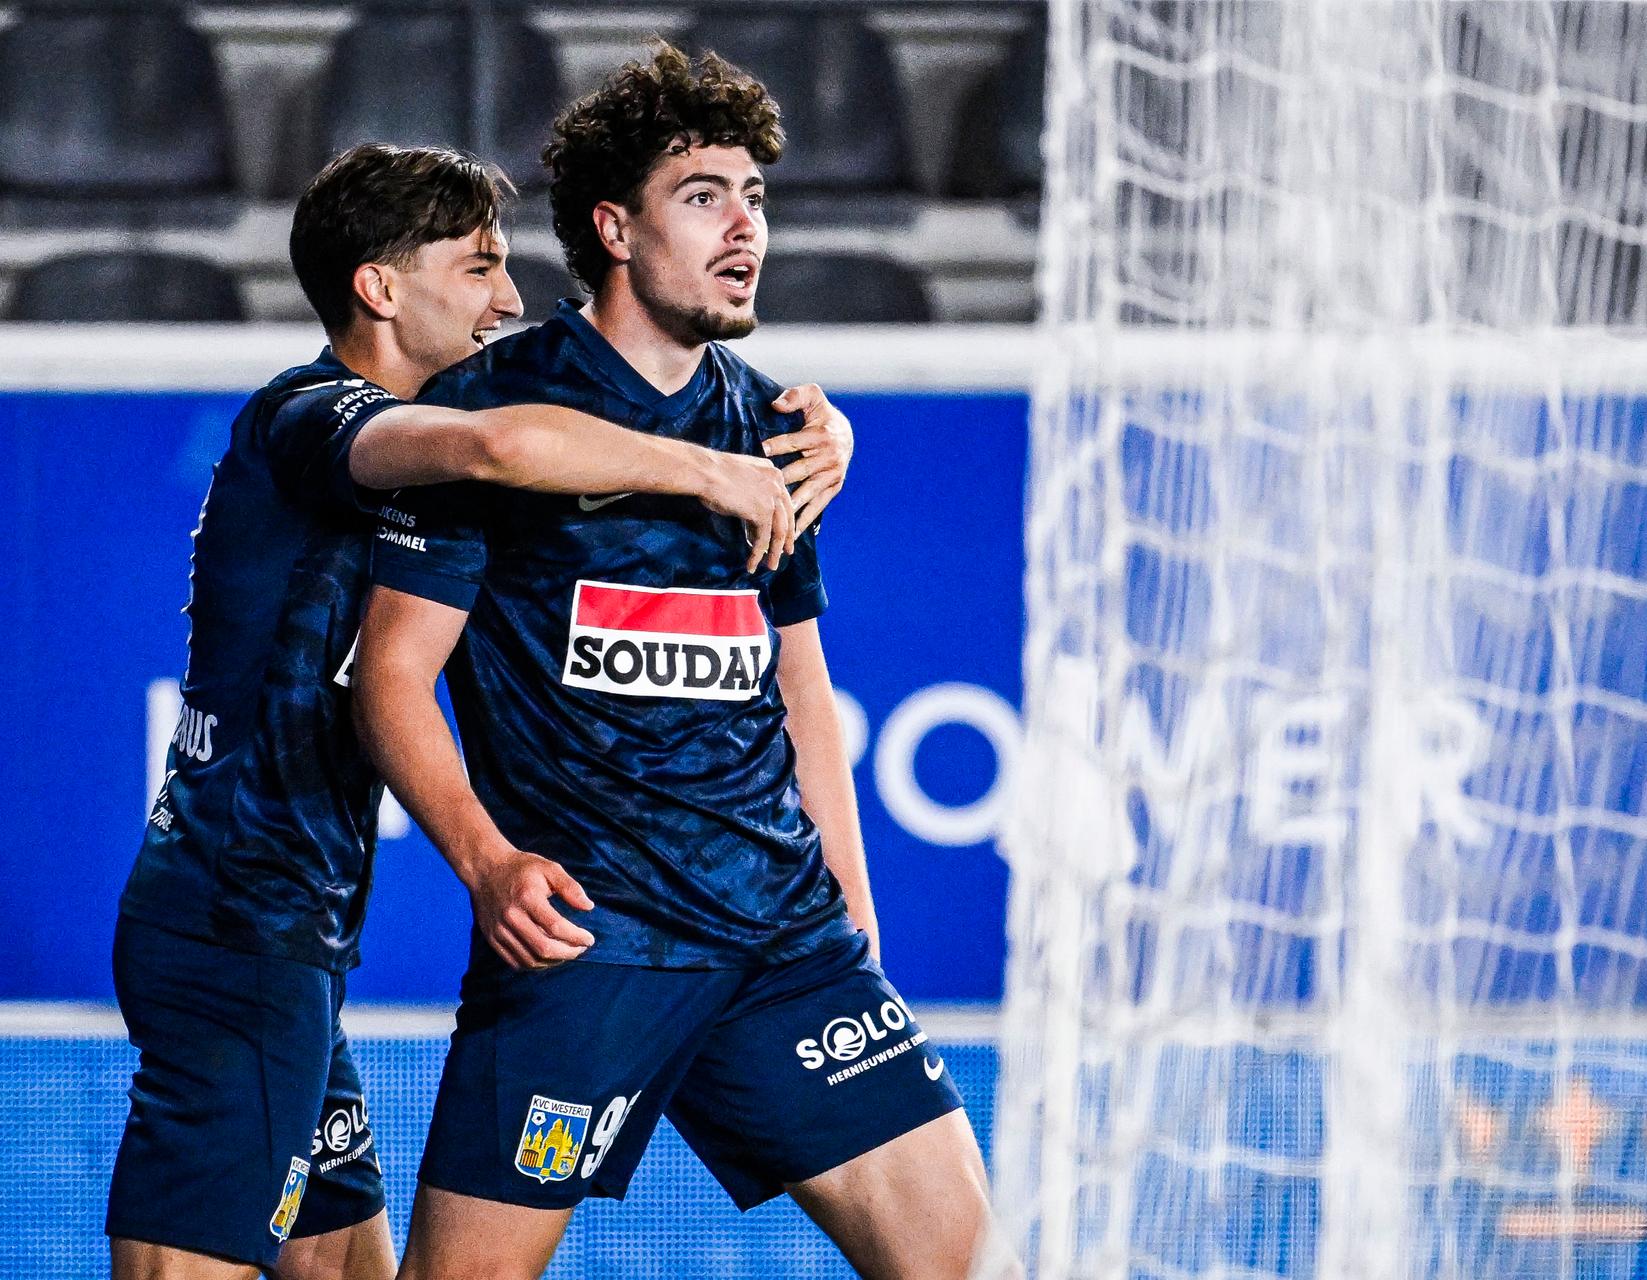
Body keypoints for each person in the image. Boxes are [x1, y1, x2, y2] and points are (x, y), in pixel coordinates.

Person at [107, 142, 857, 1280]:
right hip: (233, 932)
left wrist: (805, 434)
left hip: (288, 934)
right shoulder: (318, 417)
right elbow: (505, 442)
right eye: (477, 268)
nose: (509, 300)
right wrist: (712, 470)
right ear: (380, 287)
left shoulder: (403, 448)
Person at [354, 45, 1009, 1280]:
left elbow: (800, 685)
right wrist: (486, 862)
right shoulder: (495, 415)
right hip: (590, 947)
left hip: (783, 943)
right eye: (703, 194)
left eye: (755, 194)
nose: (744, 224)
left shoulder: (782, 428)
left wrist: (851, 919)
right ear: (614, 226)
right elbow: (392, 676)